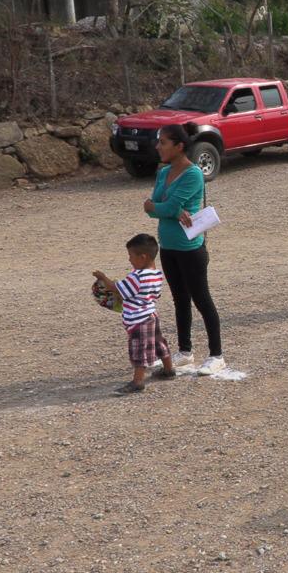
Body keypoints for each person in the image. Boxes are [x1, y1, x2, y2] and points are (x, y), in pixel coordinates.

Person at [143, 123, 224, 375]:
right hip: (167, 246)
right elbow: (152, 206)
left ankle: (216, 355)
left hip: (190, 248)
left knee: (202, 299)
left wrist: (164, 208)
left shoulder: (193, 174)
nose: (158, 146)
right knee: (180, 300)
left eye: (163, 142)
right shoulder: (162, 172)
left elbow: (161, 207)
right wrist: (169, 209)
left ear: (179, 146)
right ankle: (185, 352)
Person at [92, 233, 174, 394]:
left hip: (138, 320)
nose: (129, 259)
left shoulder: (137, 277)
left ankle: (138, 382)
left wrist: (103, 278)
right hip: (151, 315)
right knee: (159, 343)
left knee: (139, 349)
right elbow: (155, 296)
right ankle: (169, 369)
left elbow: (117, 289)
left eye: (131, 256)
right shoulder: (157, 274)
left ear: (143, 257)